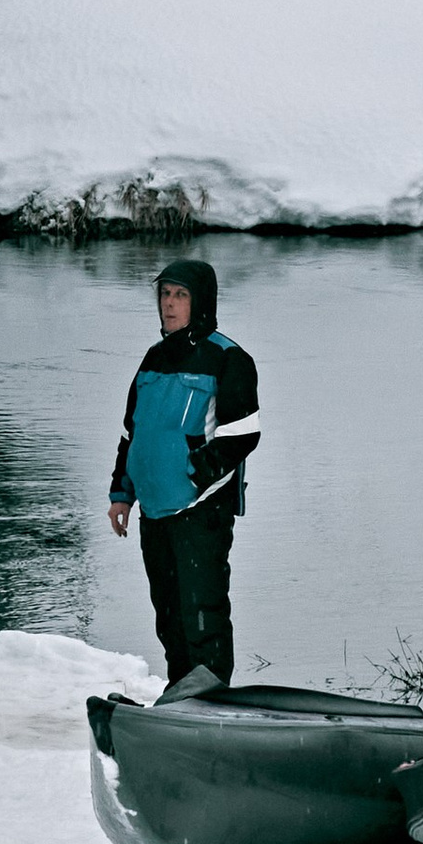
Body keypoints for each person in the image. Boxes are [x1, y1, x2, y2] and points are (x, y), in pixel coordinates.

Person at [108, 257, 260, 695]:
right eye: (164, 294)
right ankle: (181, 698)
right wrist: (123, 494)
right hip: (154, 513)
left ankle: (211, 701)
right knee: (169, 614)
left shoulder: (228, 358)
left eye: (180, 295)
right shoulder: (153, 359)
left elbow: (242, 435)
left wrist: (194, 477)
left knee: (202, 614)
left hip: (200, 513)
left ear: (201, 302)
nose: (170, 305)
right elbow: (130, 433)